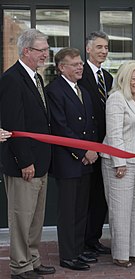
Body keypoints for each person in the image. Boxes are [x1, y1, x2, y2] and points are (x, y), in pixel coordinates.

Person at [0, 28, 55, 279]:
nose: (46, 54)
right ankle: (19, 267)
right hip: (24, 164)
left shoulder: (36, 77)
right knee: (21, 218)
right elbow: (14, 124)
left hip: (40, 162)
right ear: (26, 51)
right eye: (41, 50)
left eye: (46, 49)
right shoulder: (12, 79)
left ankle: (32, 260)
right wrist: (26, 161)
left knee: (35, 219)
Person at [46, 47, 99, 271]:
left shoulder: (83, 91)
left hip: (86, 159)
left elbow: (91, 123)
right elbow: (60, 127)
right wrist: (82, 152)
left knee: (80, 209)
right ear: (61, 67)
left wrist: (92, 150)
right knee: (68, 211)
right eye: (75, 64)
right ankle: (68, 256)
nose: (80, 67)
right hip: (69, 160)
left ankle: (78, 251)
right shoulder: (54, 91)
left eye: (80, 63)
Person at [100, 60, 135, 268]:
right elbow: (114, 134)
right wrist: (119, 161)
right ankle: (121, 255)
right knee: (120, 209)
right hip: (119, 162)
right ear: (124, 78)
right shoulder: (116, 98)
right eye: (134, 78)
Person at [78, 30, 113, 255]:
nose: (103, 51)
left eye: (106, 48)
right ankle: (80, 242)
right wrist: (87, 147)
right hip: (86, 149)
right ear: (88, 48)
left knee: (101, 196)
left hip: (106, 147)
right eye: (99, 47)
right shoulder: (79, 76)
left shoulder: (108, 78)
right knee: (84, 199)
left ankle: (94, 239)